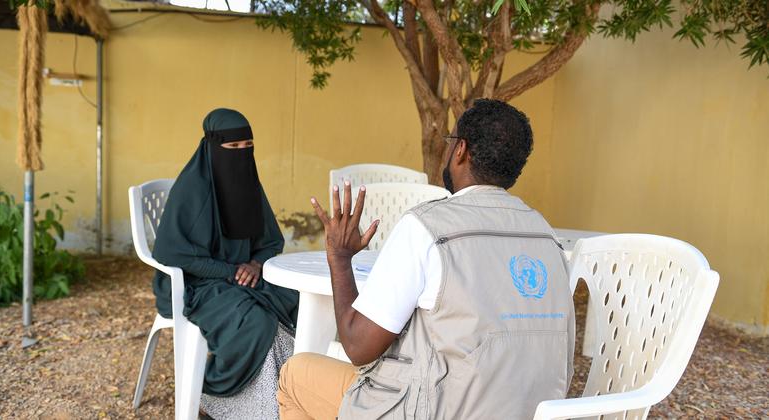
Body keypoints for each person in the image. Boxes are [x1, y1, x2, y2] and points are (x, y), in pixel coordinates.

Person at [277, 99, 575, 419]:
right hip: (530, 412)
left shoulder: (427, 226)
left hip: (440, 411)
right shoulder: (545, 234)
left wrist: (339, 257)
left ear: (460, 150)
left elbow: (358, 347)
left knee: (296, 375)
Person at [152, 108, 299, 419]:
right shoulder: (190, 191)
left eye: (248, 147)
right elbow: (172, 255)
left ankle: (290, 394)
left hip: (243, 275)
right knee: (253, 321)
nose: (241, 155)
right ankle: (211, 395)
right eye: (232, 148)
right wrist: (229, 271)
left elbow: (271, 241)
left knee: (296, 300)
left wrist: (257, 264)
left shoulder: (249, 186)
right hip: (196, 283)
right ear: (211, 146)